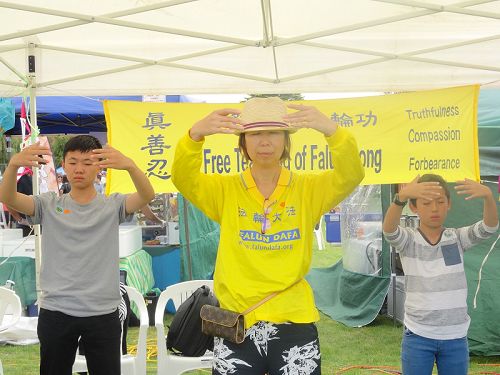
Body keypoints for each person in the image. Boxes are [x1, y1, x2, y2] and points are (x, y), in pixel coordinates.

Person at [171, 97, 364, 375]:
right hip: (236, 321)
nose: (264, 141)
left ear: (286, 141)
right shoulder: (226, 191)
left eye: (273, 132)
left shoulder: (308, 189)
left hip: (293, 320)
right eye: (256, 133)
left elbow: (351, 174)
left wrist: (332, 131)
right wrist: (194, 136)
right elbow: (183, 177)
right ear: (243, 142)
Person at [0, 135, 155, 375]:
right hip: (56, 311)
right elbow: (9, 198)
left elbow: (146, 196)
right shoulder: (49, 204)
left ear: (99, 168)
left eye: (87, 162)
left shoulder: (112, 205)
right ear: (64, 164)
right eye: (72, 162)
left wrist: (130, 166)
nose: (79, 169)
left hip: (103, 312)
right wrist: (13, 166)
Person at [382, 174, 498, 375]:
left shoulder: (457, 238)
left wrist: (488, 196)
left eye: (440, 202)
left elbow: (489, 227)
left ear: (449, 204)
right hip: (418, 335)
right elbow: (389, 231)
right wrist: (400, 199)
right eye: (426, 203)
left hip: (456, 337)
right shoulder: (408, 241)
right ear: (414, 207)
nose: (434, 209)